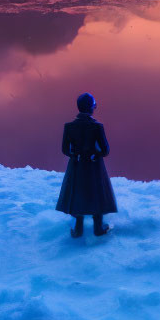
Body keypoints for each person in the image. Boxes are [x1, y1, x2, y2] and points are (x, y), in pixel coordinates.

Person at [56, 92, 117, 237]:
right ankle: (98, 228)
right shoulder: (97, 126)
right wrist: (94, 154)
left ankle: (78, 229)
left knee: (77, 192)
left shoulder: (69, 126)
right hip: (93, 165)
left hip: (77, 165)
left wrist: (75, 155)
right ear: (91, 107)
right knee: (96, 193)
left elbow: (65, 149)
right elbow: (105, 150)